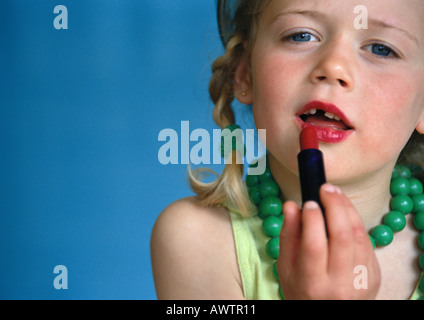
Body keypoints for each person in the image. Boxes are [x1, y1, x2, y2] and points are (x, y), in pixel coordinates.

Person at [151, 0, 424, 300]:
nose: (333, 66)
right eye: (301, 36)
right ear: (245, 74)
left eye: (381, 49)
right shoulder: (197, 240)